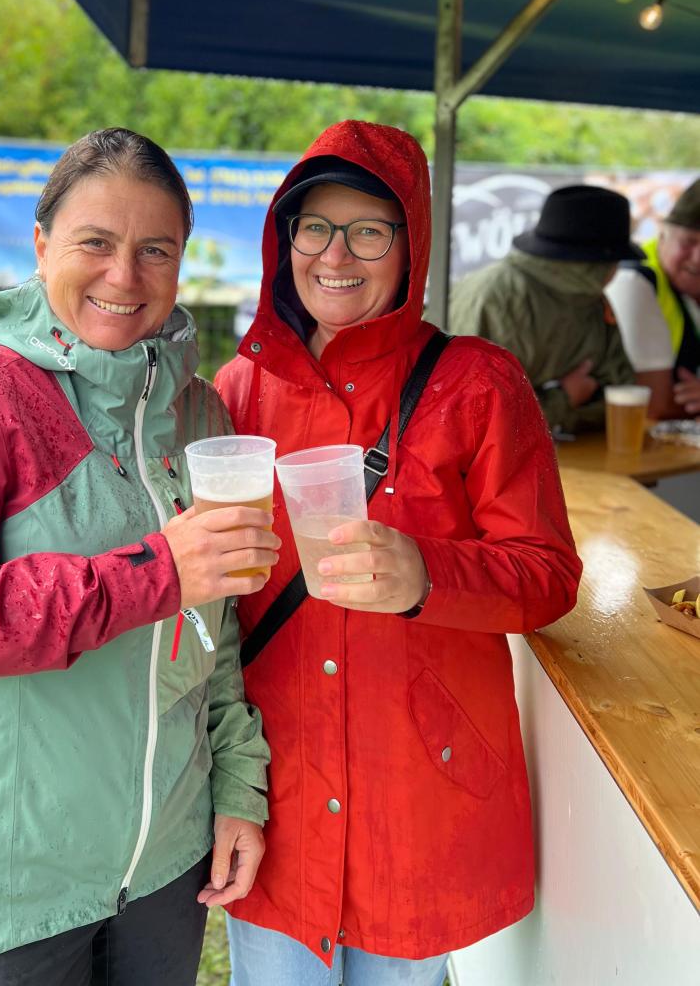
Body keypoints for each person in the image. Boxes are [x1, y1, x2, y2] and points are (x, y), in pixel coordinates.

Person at [0, 128, 279, 986]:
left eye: (155, 250)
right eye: (95, 243)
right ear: (41, 245)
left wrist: (238, 789)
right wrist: (152, 575)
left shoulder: (200, 416)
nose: (125, 276)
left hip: (166, 866)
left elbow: (217, 627)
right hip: (12, 881)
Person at [214, 120, 581, 985]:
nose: (336, 254)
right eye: (315, 227)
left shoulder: (477, 382)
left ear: (410, 244)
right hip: (278, 797)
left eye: (369, 231)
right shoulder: (237, 390)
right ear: (284, 239)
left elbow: (549, 575)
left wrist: (428, 574)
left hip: (416, 798)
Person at [449, 184, 642, 435]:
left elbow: (617, 391)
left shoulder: (589, 299)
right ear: (600, 265)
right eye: (615, 262)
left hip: (561, 454)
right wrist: (564, 398)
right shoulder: (498, 297)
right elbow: (469, 419)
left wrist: (560, 407)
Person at [605, 178, 700, 418]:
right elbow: (653, 404)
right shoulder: (633, 280)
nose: (698, 258)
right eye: (689, 242)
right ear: (663, 234)